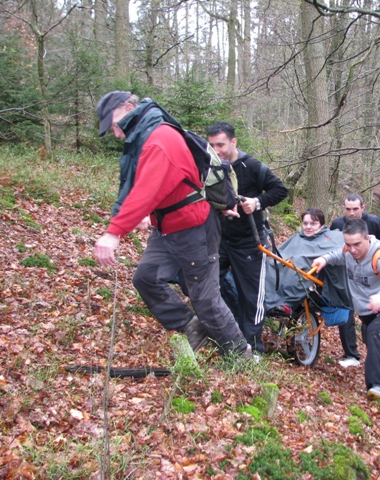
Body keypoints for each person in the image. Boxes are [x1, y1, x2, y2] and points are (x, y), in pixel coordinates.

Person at [93, 91, 250, 358]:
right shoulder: (143, 138)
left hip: (195, 228)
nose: (116, 134)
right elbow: (142, 186)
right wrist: (144, 213)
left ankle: (241, 357)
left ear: (129, 107)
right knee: (146, 278)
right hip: (166, 227)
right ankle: (192, 327)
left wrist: (114, 232)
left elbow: (146, 191)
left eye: (114, 124)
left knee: (205, 298)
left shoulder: (160, 139)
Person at [208, 121, 288, 353]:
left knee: (252, 296)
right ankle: (230, 331)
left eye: (221, 144)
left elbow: (280, 190)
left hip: (250, 242)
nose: (217, 150)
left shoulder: (252, 166)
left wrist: (257, 201)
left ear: (233, 142)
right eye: (212, 145)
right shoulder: (211, 165)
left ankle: (253, 348)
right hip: (220, 239)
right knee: (210, 283)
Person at [312, 218, 380, 401]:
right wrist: (324, 259)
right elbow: (337, 254)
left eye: (357, 244)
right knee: (379, 349)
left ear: (367, 238)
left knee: (376, 333)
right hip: (368, 314)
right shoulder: (348, 252)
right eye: (349, 245)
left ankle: (378, 387)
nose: (353, 249)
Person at [330, 193, 380, 368]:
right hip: (347, 275)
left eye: (355, 209)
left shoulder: (374, 222)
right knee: (346, 313)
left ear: (363, 207)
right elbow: (329, 245)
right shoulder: (338, 224)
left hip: (372, 279)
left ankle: (374, 353)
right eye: (348, 209)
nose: (351, 213)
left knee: (369, 317)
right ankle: (351, 354)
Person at [264, 208, 349, 315]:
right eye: (305, 223)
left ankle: (285, 303)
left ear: (321, 225)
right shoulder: (297, 237)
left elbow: (344, 250)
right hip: (287, 266)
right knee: (270, 263)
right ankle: (265, 298)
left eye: (313, 224)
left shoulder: (332, 237)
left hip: (311, 272)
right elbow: (280, 252)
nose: (308, 227)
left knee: (299, 263)